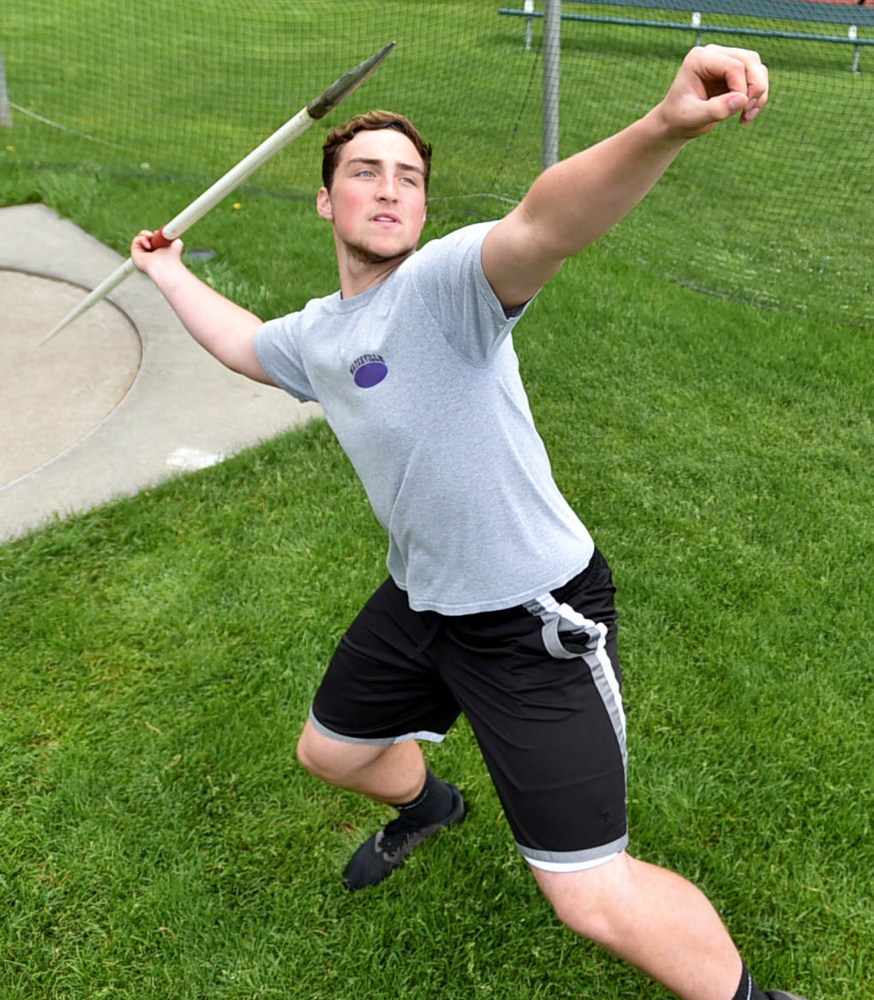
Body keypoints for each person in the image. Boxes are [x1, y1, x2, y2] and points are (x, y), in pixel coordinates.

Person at [131, 44, 809, 1000]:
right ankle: (433, 805)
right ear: (325, 201)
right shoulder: (320, 334)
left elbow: (547, 221)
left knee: (588, 894)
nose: (388, 189)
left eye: (408, 177)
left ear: (424, 208)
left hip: (531, 614)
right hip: (423, 596)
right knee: (331, 751)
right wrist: (166, 275)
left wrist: (663, 125)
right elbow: (245, 343)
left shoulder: (452, 287)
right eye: (363, 171)